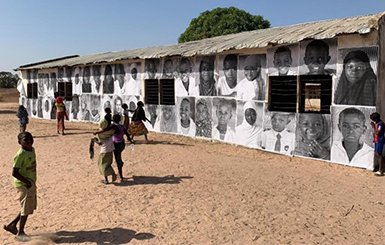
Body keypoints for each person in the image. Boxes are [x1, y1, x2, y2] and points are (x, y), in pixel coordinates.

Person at [3, 132, 37, 242]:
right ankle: (20, 233)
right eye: (25, 140)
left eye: (30, 139)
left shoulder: (32, 150)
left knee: (27, 207)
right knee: (25, 208)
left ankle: (12, 225)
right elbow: (14, 172)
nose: (29, 142)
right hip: (23, 185)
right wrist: (27, 182)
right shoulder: (20, 155)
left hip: (30, 183)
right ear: (19, 142)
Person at [92, 119, 117, 184]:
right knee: (108, 163)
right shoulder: (111, 130)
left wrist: (95, 140)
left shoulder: (101, 132)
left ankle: (106, 179)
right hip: (110, 148)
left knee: (102, 165)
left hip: (104, 149)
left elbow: (100, 143)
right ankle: (113, 175)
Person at [112, 114, 132, 182]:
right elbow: (127, 133)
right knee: (118, 157)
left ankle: (121, 176)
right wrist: (130, 140)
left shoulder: (113, 126)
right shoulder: (122, 126)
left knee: (118, 160)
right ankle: (120, 171)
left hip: (116, 144)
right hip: (122, 144)